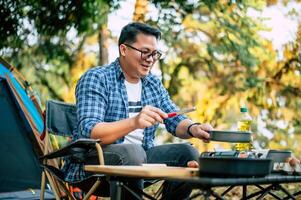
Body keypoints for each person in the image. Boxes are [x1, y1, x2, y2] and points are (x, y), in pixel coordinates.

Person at [62, 22, 213, 199]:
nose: (150, 59)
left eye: (154, 54)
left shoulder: (153, 83)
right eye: (145, 52)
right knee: (134, 151)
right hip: (94, 161)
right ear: (124, 50)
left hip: (142, 159)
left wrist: (193, 128)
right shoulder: (97, 78)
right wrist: (134, 122)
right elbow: (92, 132)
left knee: (188, 153)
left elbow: (174, 118)